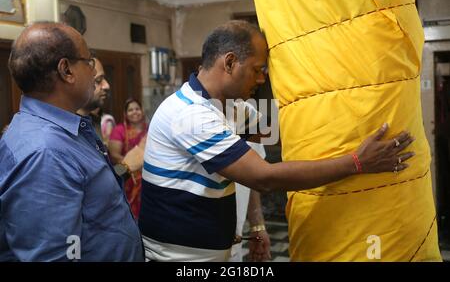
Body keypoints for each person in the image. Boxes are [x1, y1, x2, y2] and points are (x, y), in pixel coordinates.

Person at [138, 20, 416, 262]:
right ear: (230, 62)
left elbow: (276, 138)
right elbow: (264, 177)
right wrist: (357, 162)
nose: (262, 79)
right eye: (258, 69)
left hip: (216, 250)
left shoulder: (232, 107)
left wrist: (346, 99)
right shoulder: (189, 115)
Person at [0, 22, 143, 261]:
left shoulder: (65, 130)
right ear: (66, 70)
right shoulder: (46, 152)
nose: (95, 75)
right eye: (88, 63)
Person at [77, 58, 145, 188]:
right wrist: (126, 166)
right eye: (98, 80)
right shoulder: (66, 132)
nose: (107, 86)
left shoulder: (92, 123)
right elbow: (95, 188)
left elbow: (103, 175)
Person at [109, 98, 148, 219]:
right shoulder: (119, 130)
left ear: (142, 111)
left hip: (146, 175)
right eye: (130, 110)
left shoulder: (149, 128)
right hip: (126, 174)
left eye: (137, 109)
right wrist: (132, 166)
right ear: (125, 114)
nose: (134, 112)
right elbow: (114, 156)